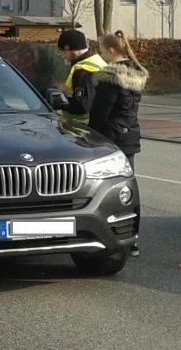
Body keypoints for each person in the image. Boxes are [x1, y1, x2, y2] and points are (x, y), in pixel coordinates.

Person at [89, 31, 148, 256]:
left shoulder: (110, 77)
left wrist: (93, 135)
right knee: (128, 188)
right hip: (130, 135)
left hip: (111, 137)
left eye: (102, 50)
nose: (101, 54)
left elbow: (101, 112)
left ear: (111, 50)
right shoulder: (135, 73)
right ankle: (132, 239)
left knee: (104, 189)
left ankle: (105, 235)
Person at [56, 29, 106, 121]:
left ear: (68, 48)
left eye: (62, 52)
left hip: (82, 125)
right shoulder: (95, 60)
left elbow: (82, 106)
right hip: (97, 124)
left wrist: (58, 101)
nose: (62, 56)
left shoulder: (84, 70)